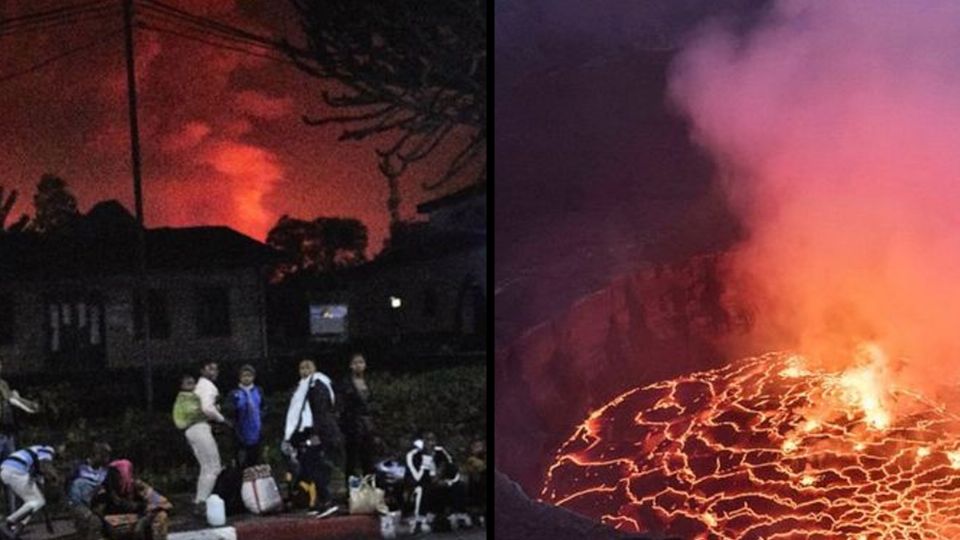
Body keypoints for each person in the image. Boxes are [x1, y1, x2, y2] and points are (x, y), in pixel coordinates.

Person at [283, 358, 343, 518]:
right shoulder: (302, 387)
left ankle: (327, 500)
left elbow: (320, 411)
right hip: (307, 432)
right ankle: (317, 502)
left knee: (314, 466)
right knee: (308, 468)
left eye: (307, 367)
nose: (304, 371)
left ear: (314, 368)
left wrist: (316, 434)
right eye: (301, 368)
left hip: (317, 432)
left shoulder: (317, 385)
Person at [404, 432, 470, 533]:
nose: (431, 443)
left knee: (459, 485)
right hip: (421, 485)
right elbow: (417, 478)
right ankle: (419, 521)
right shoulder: (412, 455)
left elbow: (452, 469)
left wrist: (449, 481)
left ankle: (460, 516)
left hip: (440, 484)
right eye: (427, 440)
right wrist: (426, 461)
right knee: (422, 489)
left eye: (433, 440)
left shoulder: (440, 451)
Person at [91, 459, 172, 540]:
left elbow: (163, 503)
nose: (113, 477)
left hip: (138, 524)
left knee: (161, 515)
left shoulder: (136, 486)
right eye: (111, 473)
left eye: (117, 473)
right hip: (113, 528)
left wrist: (143, 520)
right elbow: (95, 512)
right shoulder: (104, 490)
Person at [187, 361, 229, 515]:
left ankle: (200, 500)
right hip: (200, 427)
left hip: (192, 429)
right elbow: (207, 408)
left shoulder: (199, 386)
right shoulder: (208, 386)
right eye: (210, 368)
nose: (214, 371)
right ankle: (201, 502)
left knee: (206, 467)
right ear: (202, 370)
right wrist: (222, 419)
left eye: (216, 368)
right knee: (213, 467)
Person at [0, 359, 40, 514]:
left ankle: (12, 516)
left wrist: (28, 405)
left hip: (7, 434)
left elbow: (13, 400)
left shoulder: (3, 383)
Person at [0, 444, 58, 539]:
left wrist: (48, 521)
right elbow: (45, 465)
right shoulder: (46, 450)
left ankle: (16, 531)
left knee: (35, 503)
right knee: (37, 501)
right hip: (16, 471)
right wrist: (54, 476)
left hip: (7, 470)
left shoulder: (34, 465)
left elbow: (41, 496)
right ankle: (7, 523)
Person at [338, 353, 377, 489]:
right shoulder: (346, 383)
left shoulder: (369, 382)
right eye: (355, 363)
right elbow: (342, 406)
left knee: (369, 459)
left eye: (361, 362)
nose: (358, 365)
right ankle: (352, 490)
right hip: (353, 425)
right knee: (352, 460)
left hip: (368, 425)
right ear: (350, 365)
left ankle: (370, 489)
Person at [66, 442, 112, 540]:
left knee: (89, 529)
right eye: (104, 456)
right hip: (77, 502)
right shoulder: (79, 466)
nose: (107, 459)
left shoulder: (105, 471)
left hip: (93, 503)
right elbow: (67, 483)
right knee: (94, 522)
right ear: (97, 455)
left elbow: (105, 489)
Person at [228, 365, 264, 470]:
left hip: (256, 429)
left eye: (249, 375)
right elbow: (230, 410)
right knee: (242, 461)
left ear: (253, 377)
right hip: (241, 431)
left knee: (256, 459)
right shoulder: (234, 393)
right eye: (244, 375)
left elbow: (264, 406)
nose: (246, 378)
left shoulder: (258, 391)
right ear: (240, 377)